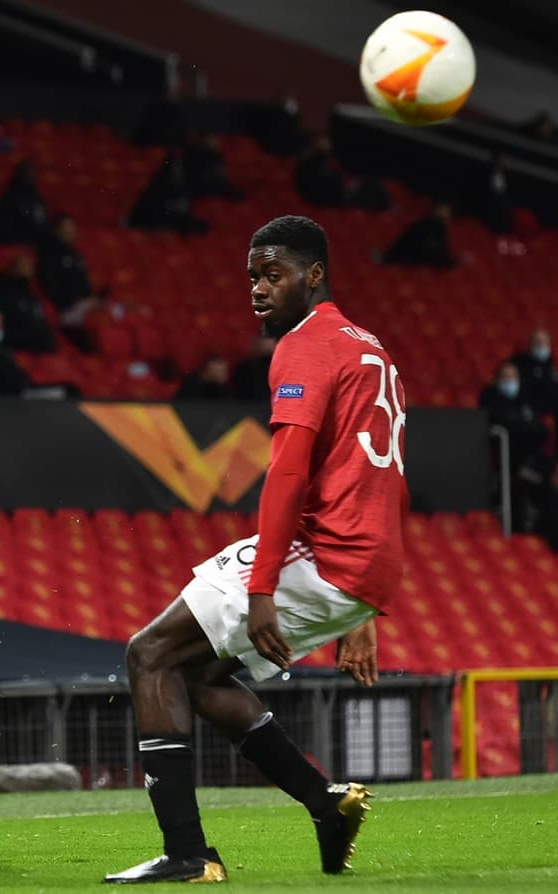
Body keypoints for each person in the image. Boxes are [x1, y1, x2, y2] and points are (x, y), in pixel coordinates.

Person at [105, 215, 406, 883]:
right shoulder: (370, 347)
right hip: (363, 559)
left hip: (327, 552)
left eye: (274, 275)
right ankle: (324, 805)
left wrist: (264, 587)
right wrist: (361, 612)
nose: (259, 290)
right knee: (197, 673)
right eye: (252, 278)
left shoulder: (305, 346)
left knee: (149, 654)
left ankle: (187, 853)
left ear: (314, 275)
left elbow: (289, 472)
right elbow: (376, 478)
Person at [478, 361, 550, 523]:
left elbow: (542, 430)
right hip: (505, 459)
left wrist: (522, 427)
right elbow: (505, 424)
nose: (510, 381)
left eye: (513, 377)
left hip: (531, 457)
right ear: (497, 379)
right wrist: (524, 427)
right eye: (506, 377)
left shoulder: (525, 399)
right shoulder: (490, 398)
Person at [37, 215, 101, 352]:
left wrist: (90, 298)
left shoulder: (76, 255)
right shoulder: (49, 254)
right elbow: (50, 285)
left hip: (85, 303)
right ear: (57, 231)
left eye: (72, 230)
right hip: (67, 307)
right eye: (65, 229)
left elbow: (85, 283)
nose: (69, 233)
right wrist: (73, 300)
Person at [510, 329, 558, 458]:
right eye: (538, 342)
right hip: (529, 409)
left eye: (545, 343)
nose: (541, 346)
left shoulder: (551, 367)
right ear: (530, 344)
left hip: (554, 410)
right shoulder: (520, 364)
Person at [0, 255, 56, 354]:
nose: (29, 270)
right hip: (16, 345)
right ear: (13, 267)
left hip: (39, 346)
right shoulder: (1, 290)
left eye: (30, 267)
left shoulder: (30, 293)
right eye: (25, 266)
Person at [128, 156, 210, 235]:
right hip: (154, 231)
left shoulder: (185, 190)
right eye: (176, 169)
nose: (178, 173)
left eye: (181, 169)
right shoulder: (157, 189)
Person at [381, 202, 456, 268]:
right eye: (444, 211)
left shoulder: (441, 231)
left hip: (421, 266)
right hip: (407, 263)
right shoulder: (421, 226)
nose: (446, 215)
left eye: (448, 212)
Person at [0, 161, 49, 246]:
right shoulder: (9, 199)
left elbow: (43, 223)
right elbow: (3, 232)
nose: (30, 176)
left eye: (32, 174)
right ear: (18, 174)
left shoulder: (37, 198)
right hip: (19, 246)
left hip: (38, 246)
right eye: (27, 173)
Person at [231, 334, 278, 402]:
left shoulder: (280, 367)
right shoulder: (244, 368)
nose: (266, 346)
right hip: (248, 405)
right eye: (262, 343)